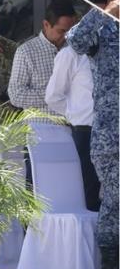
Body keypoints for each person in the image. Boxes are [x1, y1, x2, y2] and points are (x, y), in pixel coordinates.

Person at [66, 0, 119, 269]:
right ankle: (111, 264)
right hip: (111, 137)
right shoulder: (102, 31)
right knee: (114, 201)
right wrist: (105, 11)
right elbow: (75, 41)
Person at [45, 42, 99, 211]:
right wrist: (77, 114)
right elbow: (53, 96)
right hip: (86, 132)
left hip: (113, 130)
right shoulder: (71, 54)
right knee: (89, 194)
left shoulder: (113, 51)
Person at [8, 1, 78, 112]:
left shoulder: (77, 50)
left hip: (75, 126)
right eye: (62, 31)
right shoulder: (26, 52)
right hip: (40, 126)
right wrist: (54, 95)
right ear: (46, 25)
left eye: (72, 31)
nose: (67, 36)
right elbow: (16, 95)